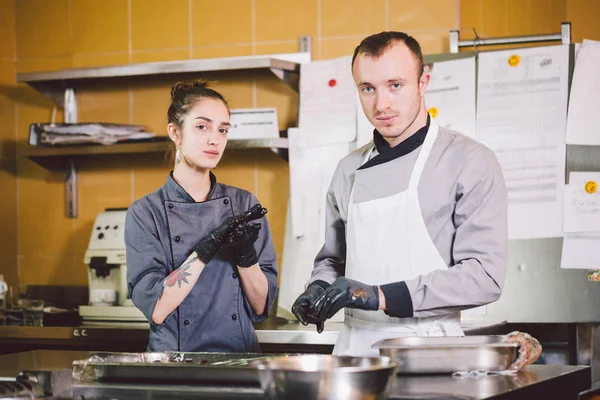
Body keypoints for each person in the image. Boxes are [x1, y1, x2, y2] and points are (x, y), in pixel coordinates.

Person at [292, 31, 508, 357]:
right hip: (355, 352)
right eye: (368, 89)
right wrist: (318, 287)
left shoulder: (469, 161)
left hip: (430, 351)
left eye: (396, 85)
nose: (382, 104)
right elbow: (333, 259)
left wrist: (379, 295)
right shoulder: (347, 169)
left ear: (423, 83)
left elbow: (484, 276)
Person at [125, 81, 278, 353]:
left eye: (223, 130)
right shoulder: (146, 212)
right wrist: (205, 250)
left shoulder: (245, 204)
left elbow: (260, 306)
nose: (214, 139)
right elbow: (158, 309)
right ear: (175, 132)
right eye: (202, 126)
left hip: (239, 361)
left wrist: (246, 256)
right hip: (175, 365)